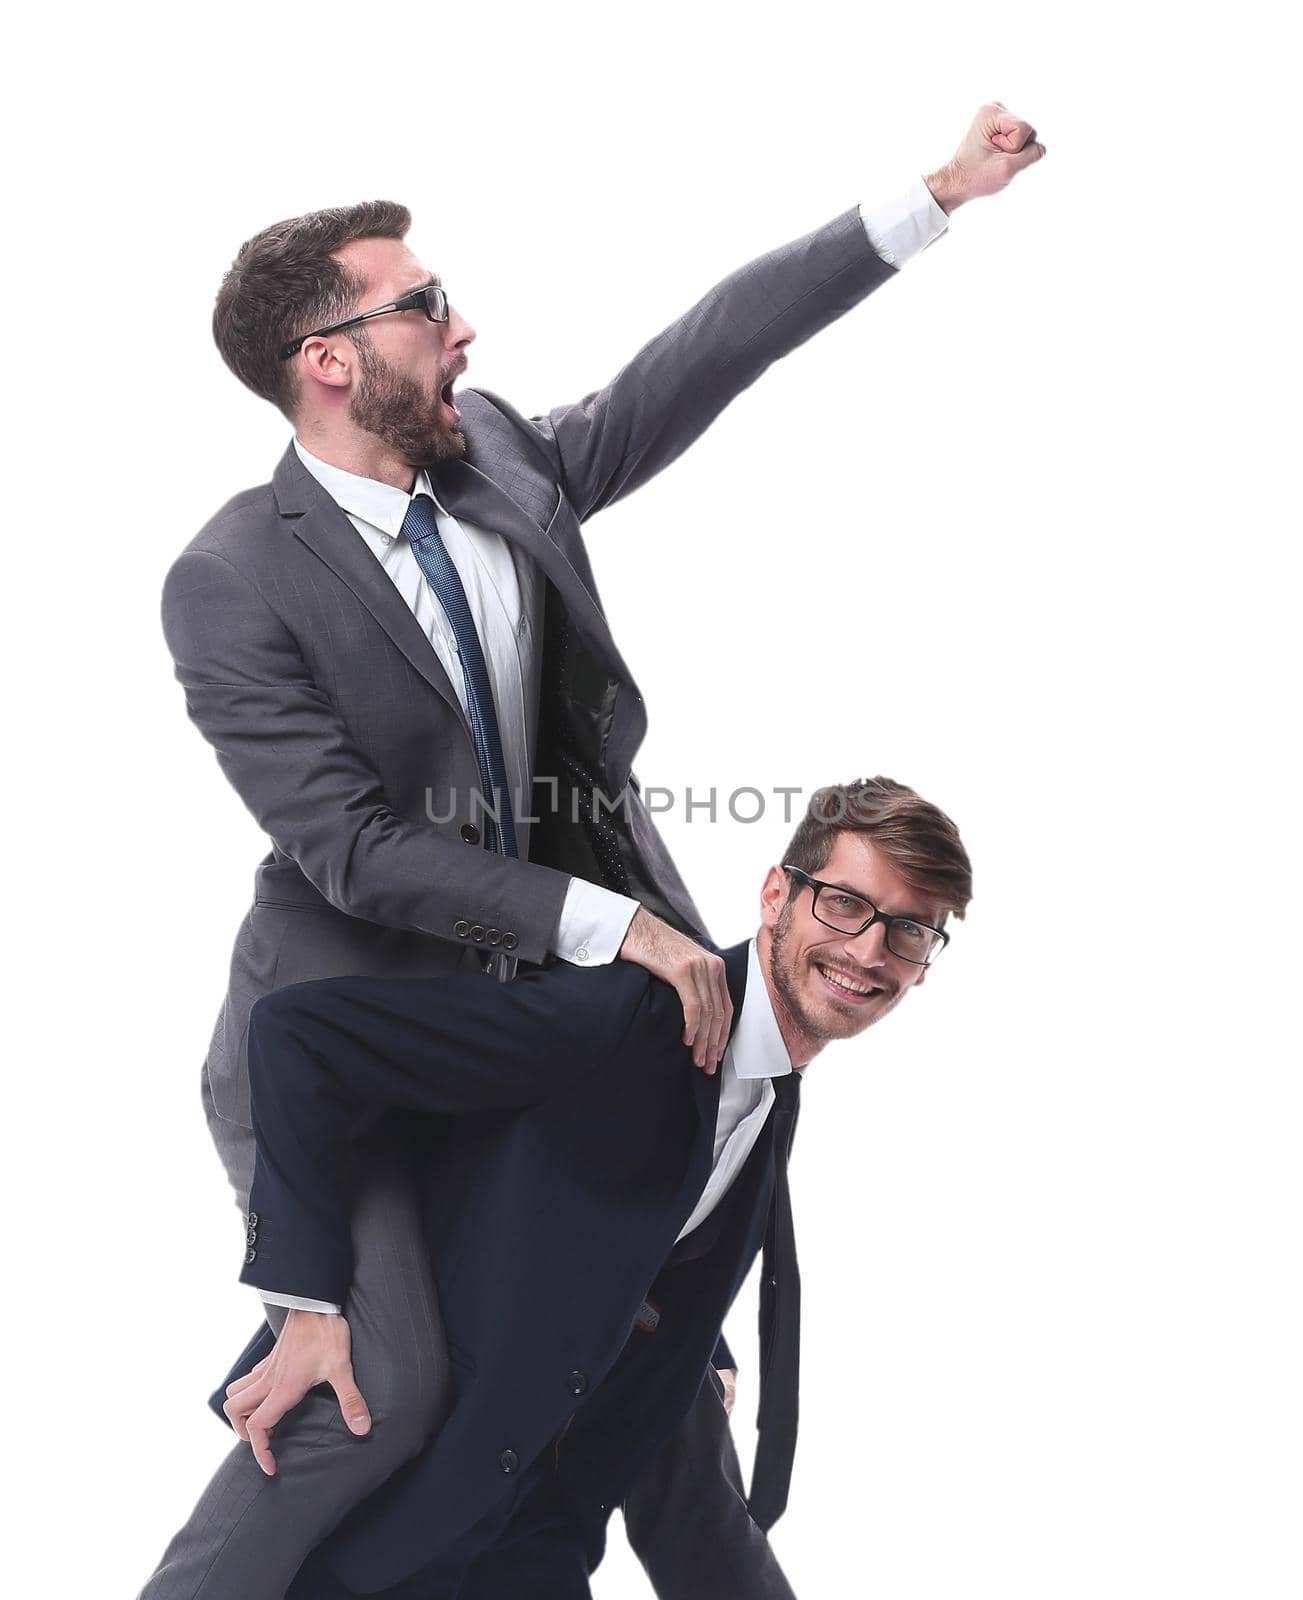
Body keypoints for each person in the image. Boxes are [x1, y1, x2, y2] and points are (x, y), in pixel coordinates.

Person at [142, 103, 1043, 1600]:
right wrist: (603, 922)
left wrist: (930, 197)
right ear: (328, 359)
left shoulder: (495, 461)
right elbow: (356, 850)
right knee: (381, 1389)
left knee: (653, 1378)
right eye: (424, 305)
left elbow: (693, 365)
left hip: (547, 1031)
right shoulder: (230, 580)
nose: (462, 325)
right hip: (354, 1033)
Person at [221, 777, 973, 1599]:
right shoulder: (624, 1017)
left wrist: (694, 1342)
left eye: (906, 931)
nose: (868, 952)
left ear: (925, 965)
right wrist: (307, 1300)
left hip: (527, 1551)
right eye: (844, 905)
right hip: (380, 1540)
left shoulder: (770, 1094)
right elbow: (302, 1037)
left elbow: (619, 1213)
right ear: (774, 895)